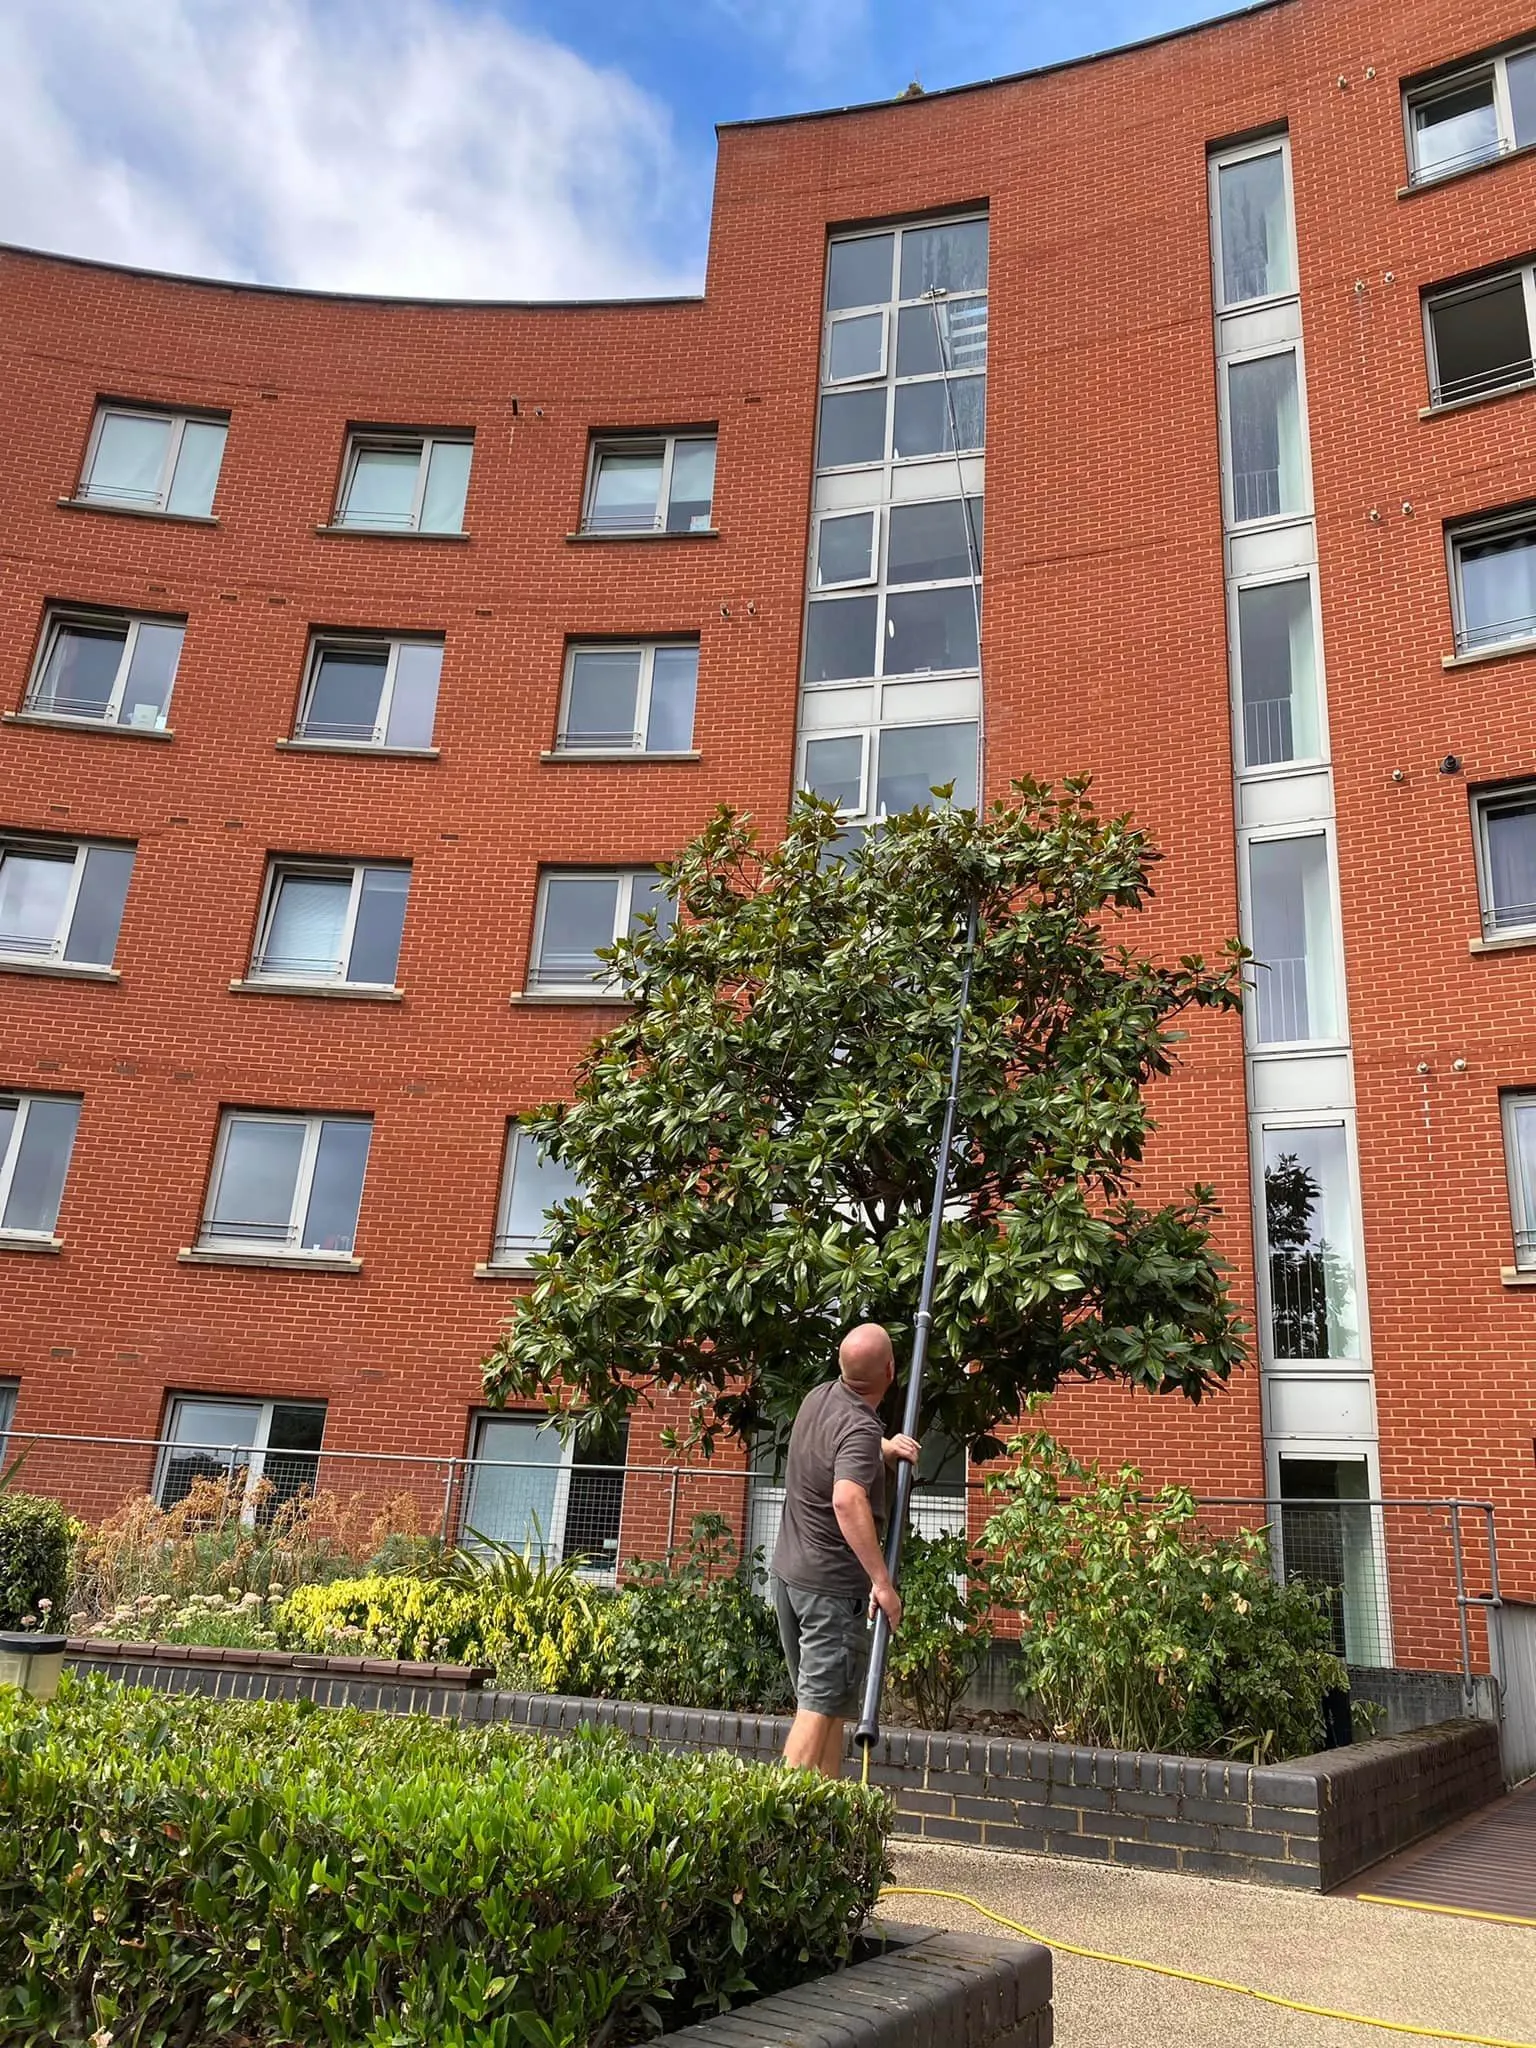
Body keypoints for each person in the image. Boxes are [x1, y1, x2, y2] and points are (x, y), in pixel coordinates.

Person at [771, 1321, 921, 1775]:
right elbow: (847, 1497)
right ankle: (770, 1824)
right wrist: (882, 1582)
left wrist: (884, 1447)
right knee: (817, 1709)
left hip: (790, 1579)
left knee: (830, 1705)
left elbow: (846, 1438)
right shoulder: (858, 1427)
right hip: (830, 1593)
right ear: (891, 1371)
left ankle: (827, 1829)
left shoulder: (819, 1397)